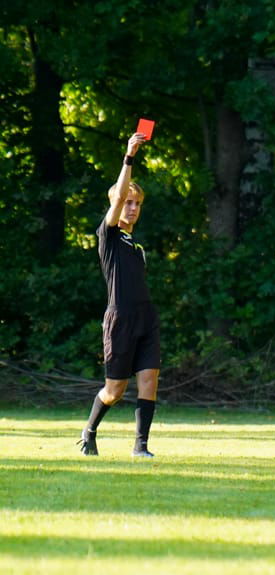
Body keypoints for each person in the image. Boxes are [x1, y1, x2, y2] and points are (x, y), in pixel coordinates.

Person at [78, 132, 160, 458]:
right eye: (128, 201)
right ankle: (89, 432)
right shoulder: (108, 236)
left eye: (137, 203)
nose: (132, 207)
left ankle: (141, 447)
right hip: (120, 319)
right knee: (115, 390)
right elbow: (116, 200)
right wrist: (130, 155)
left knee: (150, 380)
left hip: (145, 318)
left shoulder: (137, 248)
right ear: (116, 202)